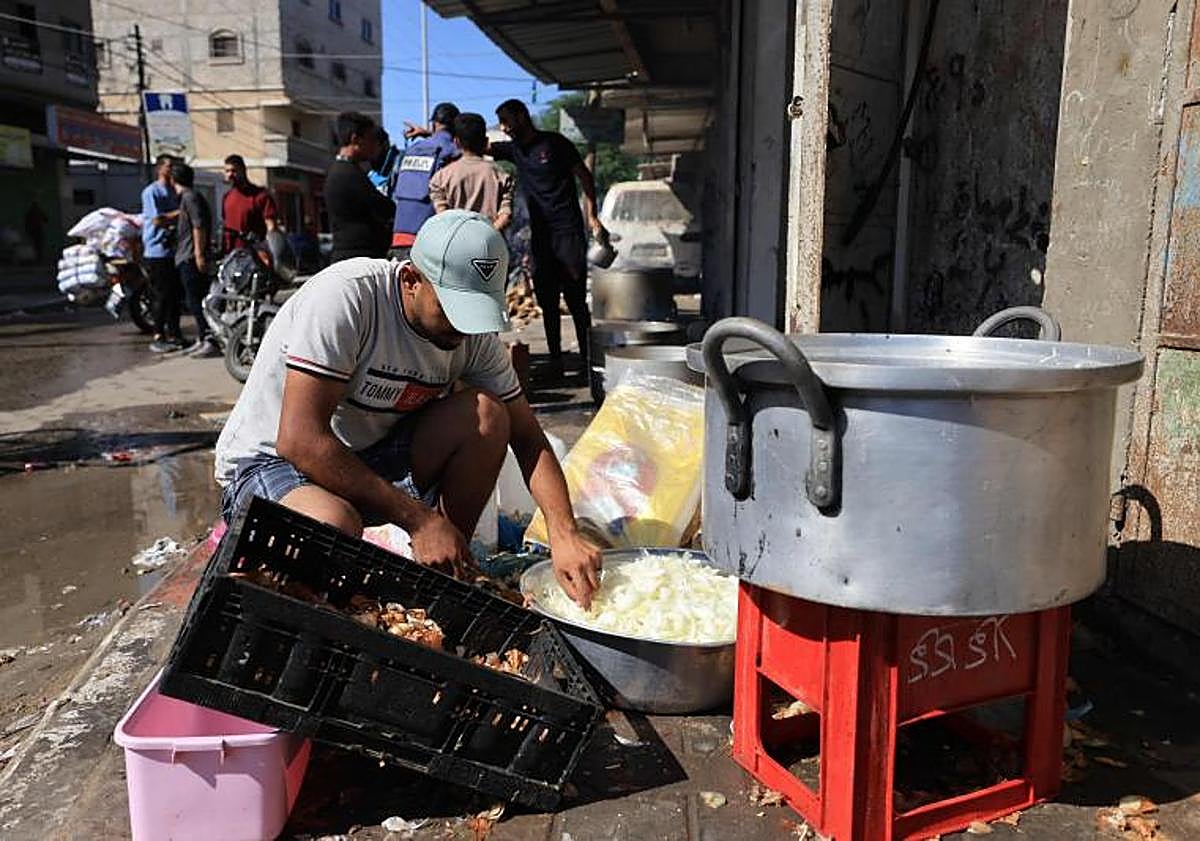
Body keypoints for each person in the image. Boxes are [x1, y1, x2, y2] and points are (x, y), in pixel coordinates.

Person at [214, 210, 602, 606]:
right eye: (451, 308)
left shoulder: (470, 335)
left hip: (364, 460)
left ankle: (440, 578)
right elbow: (300, 441)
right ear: (411, 279)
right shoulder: (349, 297)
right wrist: (419, 519)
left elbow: (528, 438)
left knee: (488, 415)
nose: (462, 327)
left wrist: (564, 532)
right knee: (333, 524)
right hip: (272, 462)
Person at [490, 99, 609, 374]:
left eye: (507, 121)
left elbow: (585, 177)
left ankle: (587, 360)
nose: (505, 129)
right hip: (540, 238)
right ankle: (556, 359)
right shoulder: (514, 149)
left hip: (567, 232)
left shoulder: (555, 143)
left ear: (522, 116)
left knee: (576, 298)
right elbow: (474, 144)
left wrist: (592, 216)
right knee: (547, 300)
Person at [390, 102, 460, 259]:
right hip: (430, 242)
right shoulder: (453, 152)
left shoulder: (412, 150)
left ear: (435, 123)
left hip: (399, 238)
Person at [325, 111, 396, 263]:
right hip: (357, 258)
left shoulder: (340, 170)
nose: (374, 146)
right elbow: (385, 208)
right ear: (355, 139)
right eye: (370, 139)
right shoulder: (349, 174)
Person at [428, 113, 514, 232]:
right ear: (485, 142)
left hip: (455, 246)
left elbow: (443, 216)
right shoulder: (501, 177)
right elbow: (505, 216)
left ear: (456, 142)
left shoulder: (440, 178)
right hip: (490, 247)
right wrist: (488, 235)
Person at [170, 162, 220, 358]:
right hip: (188, 255)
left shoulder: (190, 197)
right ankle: (202, 338)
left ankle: (209, 339)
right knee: (193, 300)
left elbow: (198, 226)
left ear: (174, 180)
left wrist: (198, 254)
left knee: (196, 301)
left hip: (191, 256)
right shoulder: (189, 198)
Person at [140, 154, 184, 353]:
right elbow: (157, 220)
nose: (172, 169)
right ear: (160, 169)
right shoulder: (152, 192)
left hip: (173, 250)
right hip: (157, 252)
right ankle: (158, 334)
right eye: (169, 166)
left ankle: (175, 333)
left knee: (175, 296)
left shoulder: (175, 191)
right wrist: (180, 212)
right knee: (162, 295)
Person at [222, 154, 277, 253]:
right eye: (227, 171)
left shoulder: (261, 196)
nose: (230, 175)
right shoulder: (227, 197)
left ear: (243, 171)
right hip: (231, 256)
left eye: (234, 171)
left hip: (255, 255)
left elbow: (271, 227)